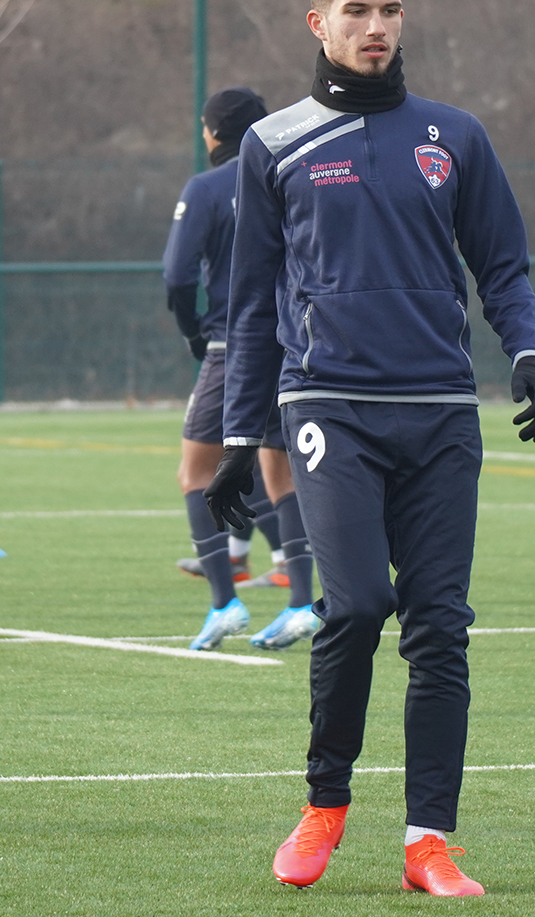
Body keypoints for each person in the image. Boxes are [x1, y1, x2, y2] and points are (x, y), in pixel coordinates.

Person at [205, 0, 535, 896]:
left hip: (440, 410)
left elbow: (505, 266)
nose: (377, 27)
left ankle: (429, 841)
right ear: (319, 24)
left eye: (390, 10)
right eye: (357, 11)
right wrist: (243, 438)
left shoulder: (455, 137)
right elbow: (248, 303)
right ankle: (324, 805)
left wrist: (526, 349)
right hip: (329, 406)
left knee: (440, 626)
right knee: (355, 605)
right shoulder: (271, 145)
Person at [164, 85, 322, 651]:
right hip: (293, 342)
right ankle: (302, 604)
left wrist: (192, 331)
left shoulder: (206, 188)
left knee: (196, 473)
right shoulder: (296, 173)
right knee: (281, 475)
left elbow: (178, 276)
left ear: (212, 133)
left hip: (233, 347)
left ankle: (224, 602)